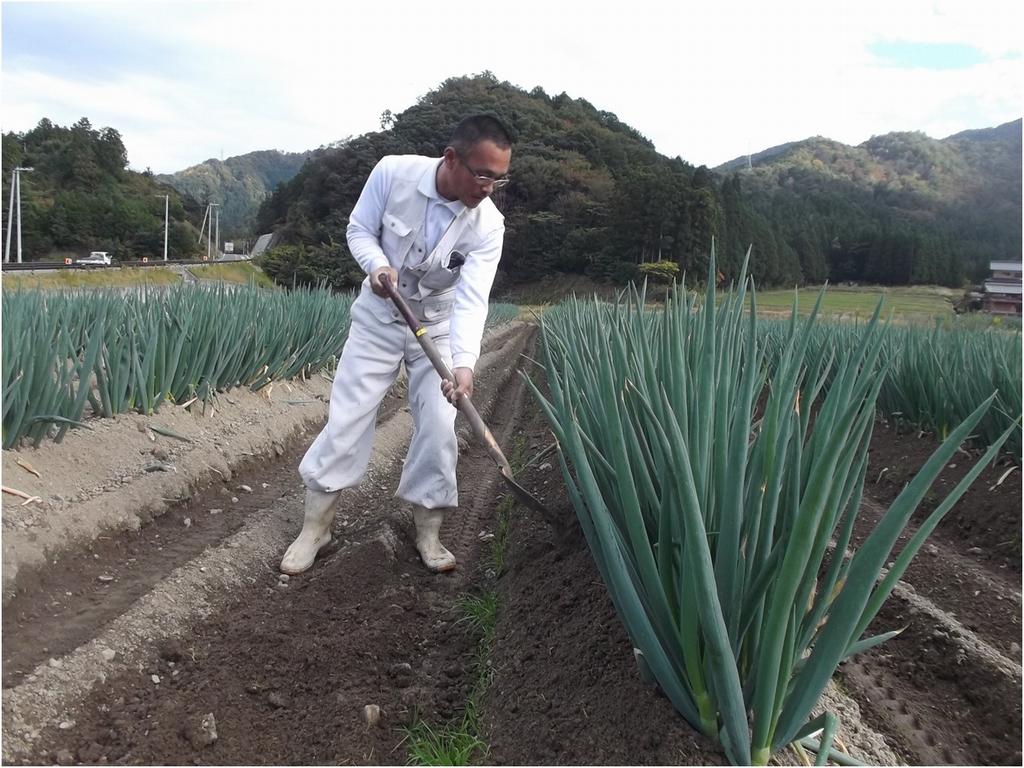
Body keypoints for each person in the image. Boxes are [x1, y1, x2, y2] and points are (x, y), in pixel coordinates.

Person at [281, 114, 513, 576]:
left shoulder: (488, 226)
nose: (489, 187)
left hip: (439, 328)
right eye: (483, 173)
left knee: (440, 424)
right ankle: (316, 528)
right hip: (380, 319)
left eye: (500, 178)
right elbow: (359, 230)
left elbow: (471, 301)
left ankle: (428, 530)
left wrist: (464, 366)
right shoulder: (392, 172)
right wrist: (377, 264)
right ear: (452, 159)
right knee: (349, 416)